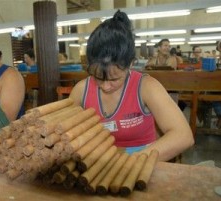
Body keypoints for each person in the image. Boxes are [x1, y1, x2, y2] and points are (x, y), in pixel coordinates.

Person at [69, 10, 194, 162]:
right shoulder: (81, 90)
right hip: (98, 161)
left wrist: (131, 162)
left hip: (142, 159)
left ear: (131, 64)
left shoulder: (146, 87)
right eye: (98, 78)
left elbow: (183, 136)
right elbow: (66, 131)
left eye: (114, 79)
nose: (106, 87)